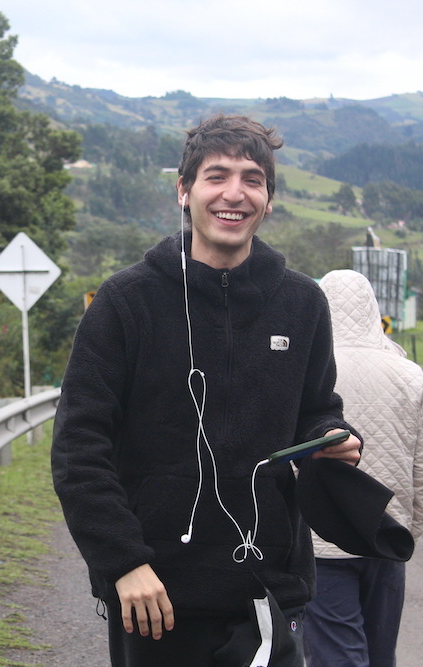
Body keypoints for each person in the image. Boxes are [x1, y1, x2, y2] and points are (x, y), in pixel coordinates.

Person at [51, 114, 362, 666]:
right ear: (184, 190)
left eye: (252, 179)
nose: (234, 194)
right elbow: (79, 448)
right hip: (154, 595)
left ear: (269, 200)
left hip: (267, 589)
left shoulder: (302, 304)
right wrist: (123, 562)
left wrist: (330, 436)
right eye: (217, 176)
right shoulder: (126, 302)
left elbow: (316, 409)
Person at [304, 269, 423, 667]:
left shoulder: (309, 371)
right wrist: (408, 531)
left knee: (337, 655)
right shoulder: (409, 375)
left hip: (323, 545)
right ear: (373, 309)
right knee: (381, 654)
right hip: (386, 537)